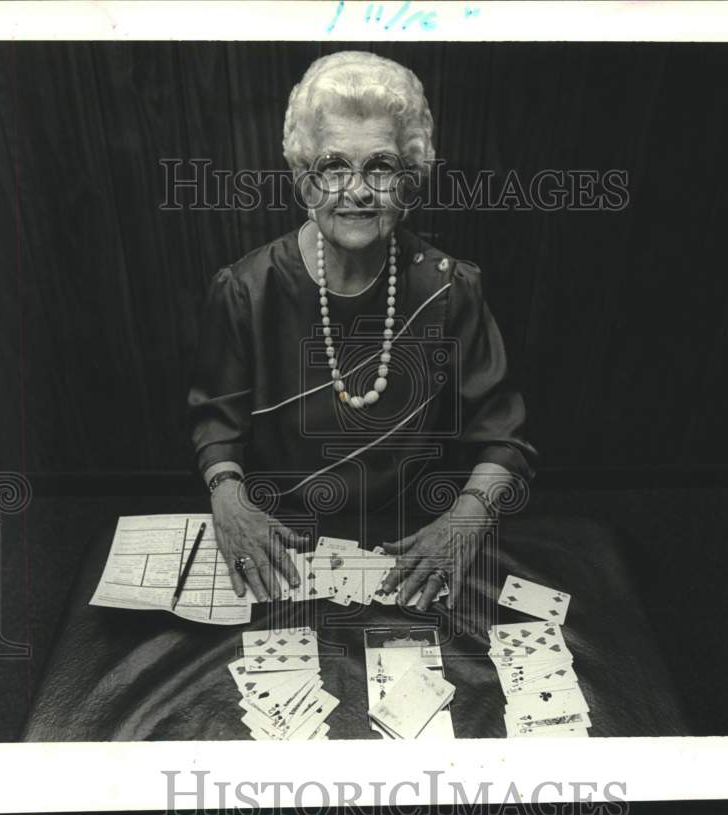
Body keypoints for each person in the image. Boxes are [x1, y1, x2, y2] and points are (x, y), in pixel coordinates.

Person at [186, 50, 538, 612]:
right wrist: (227, 497)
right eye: (332, 167)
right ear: (304, 181)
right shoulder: (246, 290)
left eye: (380, 166)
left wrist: (466, 519)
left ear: (409, 180)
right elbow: (217, 422)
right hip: (288, 536)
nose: (357, 191)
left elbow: (505, 437)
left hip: (414, 530)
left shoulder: (450, 289)